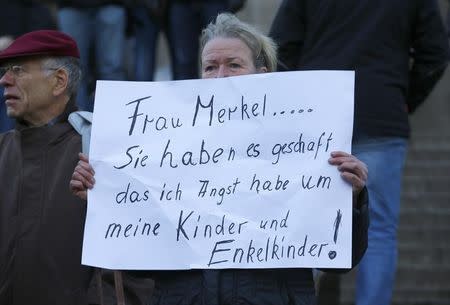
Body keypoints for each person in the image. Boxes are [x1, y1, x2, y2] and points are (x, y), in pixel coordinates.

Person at [70, 13, 369, 305]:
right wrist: (103, 201)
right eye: (210, 67)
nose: (220, 77)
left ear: (262, 75)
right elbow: (139, 262)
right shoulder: (162, 148)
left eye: (234, 65)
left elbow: (340, 260)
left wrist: (351, 199)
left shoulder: (306, 145)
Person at [269, 1, 450, 305]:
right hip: (381, 111)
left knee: (307, 223)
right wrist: (407, 98)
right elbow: (436, 52)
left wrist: (293, 106)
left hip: (317, 115)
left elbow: (280, 48)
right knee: (379, 231)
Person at [0, 30, 93, 305]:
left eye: (17, 70)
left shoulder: (98, 153)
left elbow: (128, 266)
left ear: (59, 81)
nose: (4, 80)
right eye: (6, 71)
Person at [56, 0, 128, 112]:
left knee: (112, 69)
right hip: (71, 5)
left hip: (111, 4)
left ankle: (116, 119)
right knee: (73, 70)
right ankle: (76, 122)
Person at [0, 0, 57, 132]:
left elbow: (47, 49)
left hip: (28, 71)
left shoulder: (39, 11)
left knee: (14, 91)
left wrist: (14, 45)